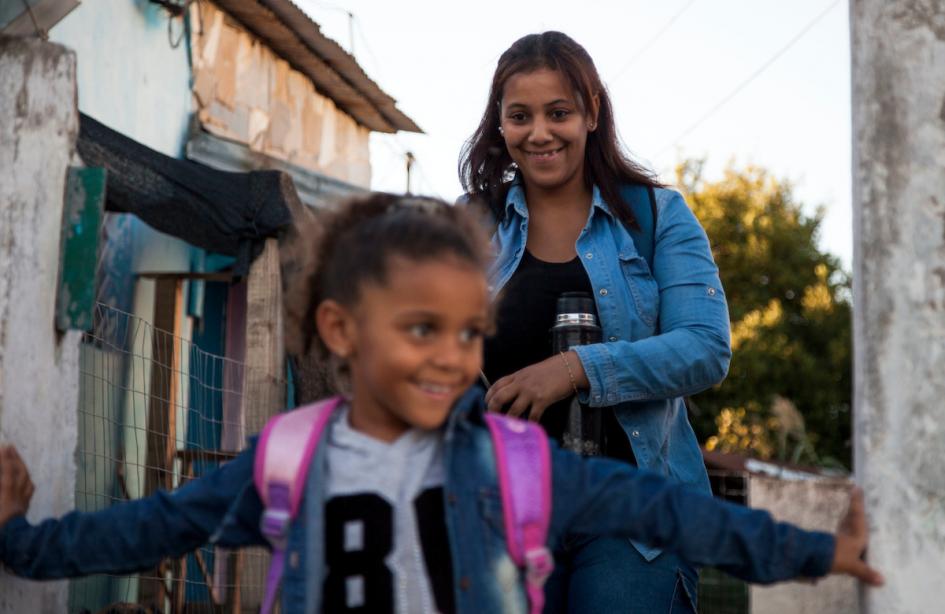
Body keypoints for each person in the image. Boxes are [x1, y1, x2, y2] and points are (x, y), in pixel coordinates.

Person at [0, 194, 881, 614]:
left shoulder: (513, 463)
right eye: (420, 329)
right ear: (343, 329)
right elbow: (151, 528)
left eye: (468, 333)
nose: (451, 356)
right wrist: (20, 542)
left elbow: (665, 512)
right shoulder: (286, 459)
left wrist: (812, 551)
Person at [459, 31, 734, 612]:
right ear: (500, 125)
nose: (539, 132)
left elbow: (706, 347)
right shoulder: (471, 224)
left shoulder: (656, 216)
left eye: (558, 112)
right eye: (519, 116)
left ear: (590, 113)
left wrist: (578, 368)